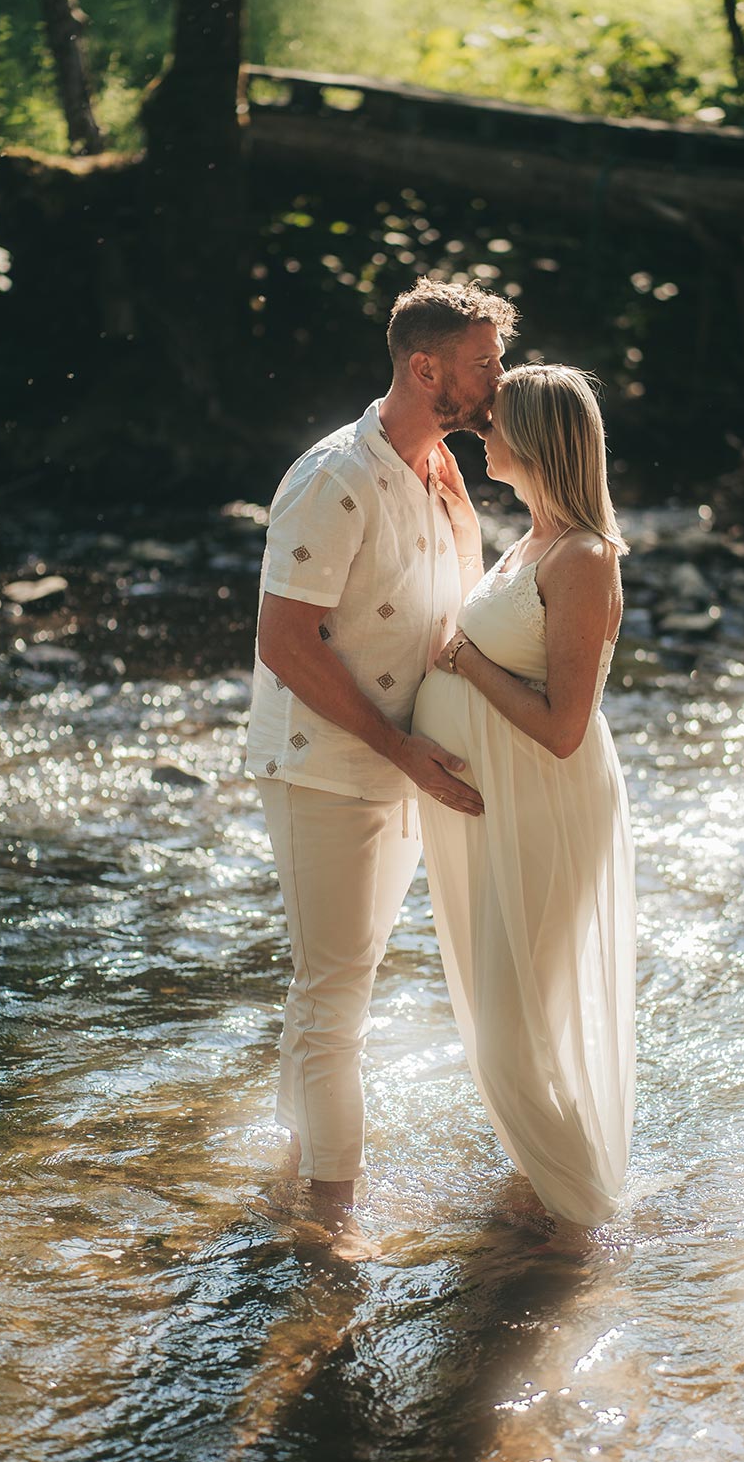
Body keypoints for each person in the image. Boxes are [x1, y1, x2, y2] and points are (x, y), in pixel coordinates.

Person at [245, 278, 519, 1238]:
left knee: (335, 977)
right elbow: (286, 643)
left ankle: (295, 1168)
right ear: (426, 368)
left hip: (407, 761)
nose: (500, 381)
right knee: (336, 993)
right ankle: (331, 1220)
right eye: (485, 364)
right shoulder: (334, 476)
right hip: (328, 764)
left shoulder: (443, 467)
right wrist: (401, 747)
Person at [412, 364, 636, 1228]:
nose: (482, 431)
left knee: (511, 1037)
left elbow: (564, 727)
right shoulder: (532, 541)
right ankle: (556, 1198)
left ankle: (590, 1228)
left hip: (546, 802)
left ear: (537, 439)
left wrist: (465, 661)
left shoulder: (583, 557)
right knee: (510, 1024)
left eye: (496, 421)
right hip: (499, 802)